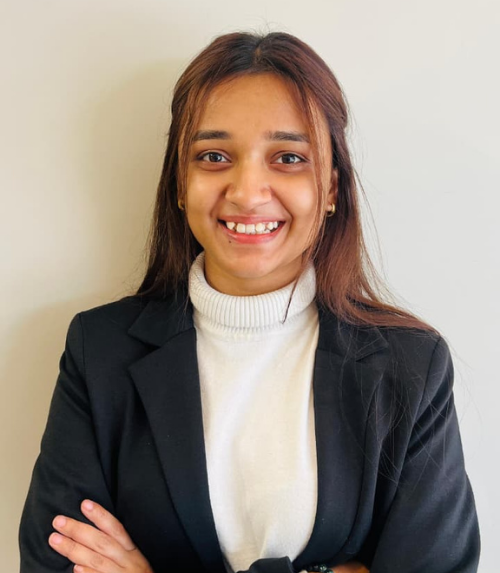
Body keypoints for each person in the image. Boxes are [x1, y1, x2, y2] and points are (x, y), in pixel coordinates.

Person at [19, 31, 480, 573]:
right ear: (180, 183)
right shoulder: (99, 352)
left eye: (288, 157)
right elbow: (53, 562)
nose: (246, 191)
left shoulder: (411, 366)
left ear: (332, 188)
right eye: (214, 156)